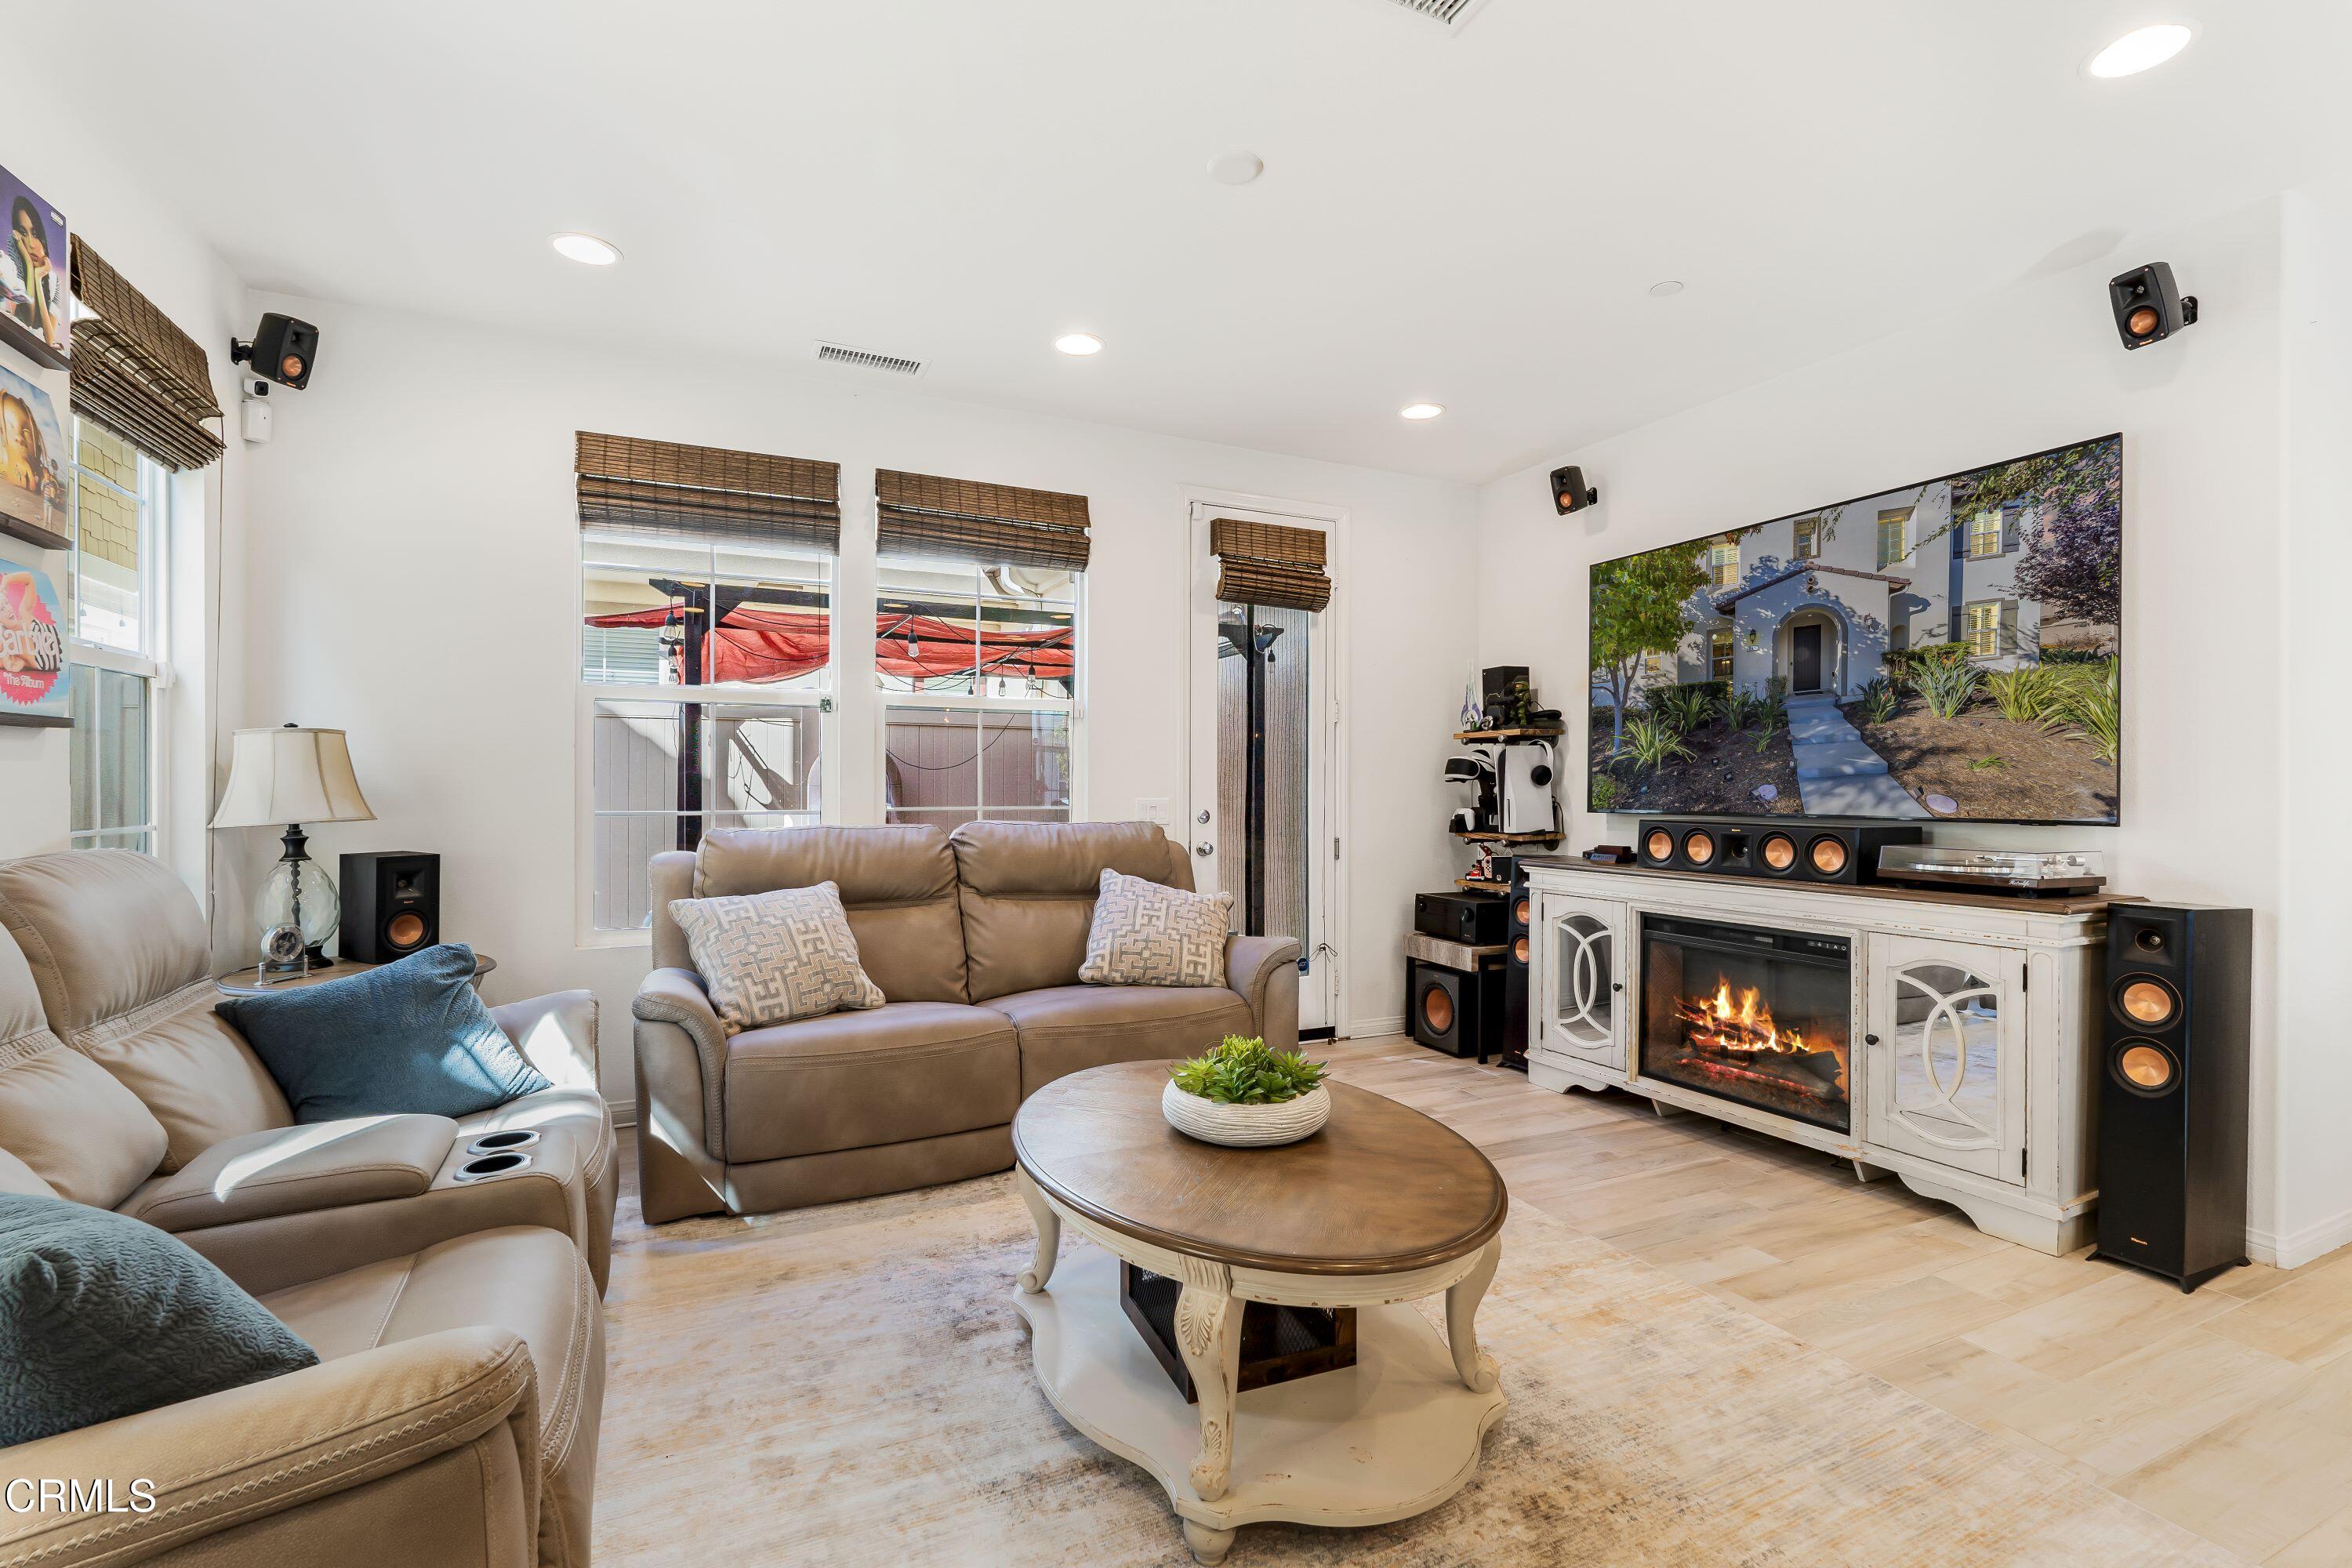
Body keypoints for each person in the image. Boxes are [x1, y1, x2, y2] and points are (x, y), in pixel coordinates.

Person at [0, 198, 64, 354]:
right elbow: (26, 320)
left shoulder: (54, 281)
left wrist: (38, 278)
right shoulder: (14, 269)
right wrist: (28, 264)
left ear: (43, 239)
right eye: (23, 233)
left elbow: (49, 341)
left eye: (35, 234)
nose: (30, 244)